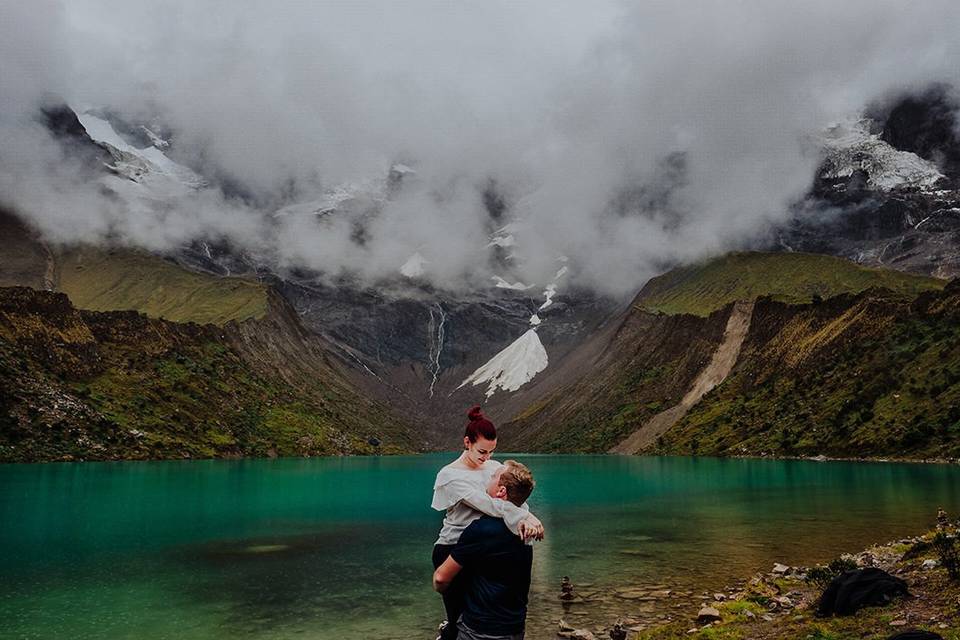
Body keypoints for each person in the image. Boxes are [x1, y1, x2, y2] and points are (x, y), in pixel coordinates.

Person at [431, 407, 543, 640]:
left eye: (492, 452)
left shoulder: (494, 467)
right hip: (453, 545)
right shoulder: (450, 475)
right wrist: (526, 516)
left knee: (475, 611)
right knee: (457, 615)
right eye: (482, 451)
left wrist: (527, 513)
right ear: (467, 442)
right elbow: (488, 505)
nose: (487, 458)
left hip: (483, 545)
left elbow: (512, 498)